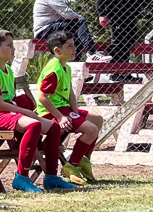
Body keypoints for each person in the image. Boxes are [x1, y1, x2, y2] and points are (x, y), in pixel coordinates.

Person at [0, 29, 68, 193]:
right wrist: (28, 112)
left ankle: (51, 177)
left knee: (53, 128)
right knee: (33, 125)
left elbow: (10, 100)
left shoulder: (8, 70)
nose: (13, 49)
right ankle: (21, 177)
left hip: (7, 115)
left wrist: (25, 108)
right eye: (9, 45)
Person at [34, 30, 102, 185]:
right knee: (91, 130)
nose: (75, 49)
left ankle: (84, 161)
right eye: (70, 46)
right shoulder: (54, 69)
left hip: (65, 109)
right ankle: (71, 166)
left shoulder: (66, 67)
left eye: (74, 45)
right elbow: (42, 98)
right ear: (57, 51)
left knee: (97, 120)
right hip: (52, 113)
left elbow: (70, 92)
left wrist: (75, 112)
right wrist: (60, 117)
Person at [32, 0, 97, 58]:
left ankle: (74, 60)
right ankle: (93, 53)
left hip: (47, 28)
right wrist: (79, 18)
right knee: (80, 22)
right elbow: (66, 13)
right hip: (44, 30)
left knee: (74, 33)